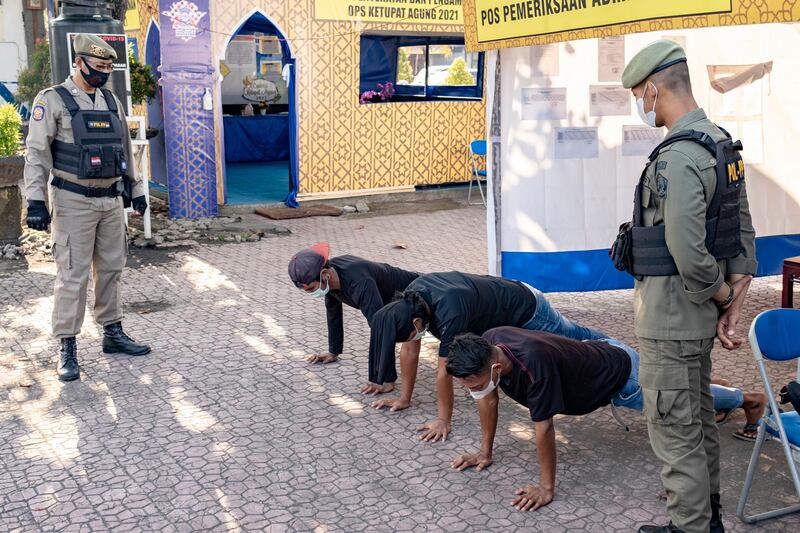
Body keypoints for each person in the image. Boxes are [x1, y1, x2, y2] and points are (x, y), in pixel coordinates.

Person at [621, 41, 757, 533]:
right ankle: (706, 520)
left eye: (640, 94)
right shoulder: (721, 144)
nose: (642, 103)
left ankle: (691, 527)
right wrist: (732, 306)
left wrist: (723, 297)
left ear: (653, 89)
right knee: (696, 423)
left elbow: (685, 247)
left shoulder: (678, 156)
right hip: (695, 320)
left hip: (672, 317)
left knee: (676, 432)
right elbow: (741, 233)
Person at [445, 328, 766, 515]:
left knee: (683, 403)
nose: (472, 391)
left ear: (495, 370)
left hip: (621, 376)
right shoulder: (489, 343)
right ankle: (718, 388)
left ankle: (749, 400)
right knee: (683, 391)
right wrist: (484, 452)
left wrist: (546, 488)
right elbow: (487, 398)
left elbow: (543, 429)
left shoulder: (534, 366)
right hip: (595, 357)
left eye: (472, 384)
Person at [23, 34, 151, 383]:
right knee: (72, 275)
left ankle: (112, 332)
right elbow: (36, 154)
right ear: (78, 63)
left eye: (108, 68)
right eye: (97, 68)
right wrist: (35, 200)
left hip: (110, 200)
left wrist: (136, 190)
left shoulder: (110, 101)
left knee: (111, 268)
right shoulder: (52, 100)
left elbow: (124, 149)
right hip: (72, 200)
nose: (103, 74)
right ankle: (67, 345)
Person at [367, 272, 606, 441]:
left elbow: (445, 371)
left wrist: (443, 420)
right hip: (499, 309)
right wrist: (404, 398)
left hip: (526, 307)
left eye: (412, 333)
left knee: (575, 336)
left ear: (417, 323)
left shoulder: (449, 312)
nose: (413, 339)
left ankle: (611, 348)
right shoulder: (411, 300)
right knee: (571, 340)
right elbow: (410, 348)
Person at [288, 243, 421, 396]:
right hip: (388, 299)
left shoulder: (360, 282)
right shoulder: (331, 276)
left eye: (311, 288)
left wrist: (384, 379)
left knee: (396, 330)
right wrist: (333, 351)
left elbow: (380, 328)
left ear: (325, 274)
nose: (310, 294)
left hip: (414, 289)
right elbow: (333, 312)